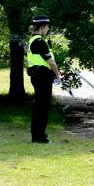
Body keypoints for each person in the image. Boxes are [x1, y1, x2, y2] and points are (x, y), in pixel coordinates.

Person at [27, 14, 61, 143]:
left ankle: (37, 135)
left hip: (37, 75)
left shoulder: (33, 40)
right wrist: (58, 75)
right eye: (47, 27)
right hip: (42, 76)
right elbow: (51, 62)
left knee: (39, 106)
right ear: (42, 27)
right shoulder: (39, 42)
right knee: (42, 107)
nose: (48, 29)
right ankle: (39, 137)